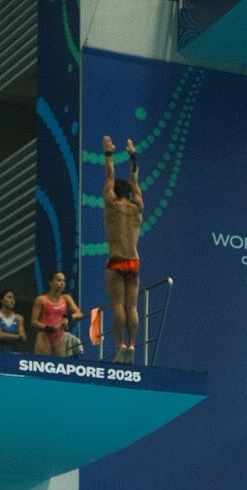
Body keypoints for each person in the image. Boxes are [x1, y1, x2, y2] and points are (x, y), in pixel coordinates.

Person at [103, 134, 143, 363]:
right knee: (132, 307)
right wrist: (133, 156)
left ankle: (120, 345)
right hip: (133, 262)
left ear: (115, 192)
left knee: (118, 305)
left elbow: (110, 176)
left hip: (117, 261)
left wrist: (108, 152)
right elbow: (135, 180)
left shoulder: (112, 204)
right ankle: (133, 344)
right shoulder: (137, 207)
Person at [30, 271, 82, 356]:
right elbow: (33, 322)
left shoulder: (66, 298)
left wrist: (68, 317)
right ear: (51, 283)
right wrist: (49, 328)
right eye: (59, 280)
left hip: (59, 337)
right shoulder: (41, 299)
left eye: (63, 281)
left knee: (59, 363)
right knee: (43, 362)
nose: (62, 283)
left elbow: (79, 314)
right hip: (45, 336)